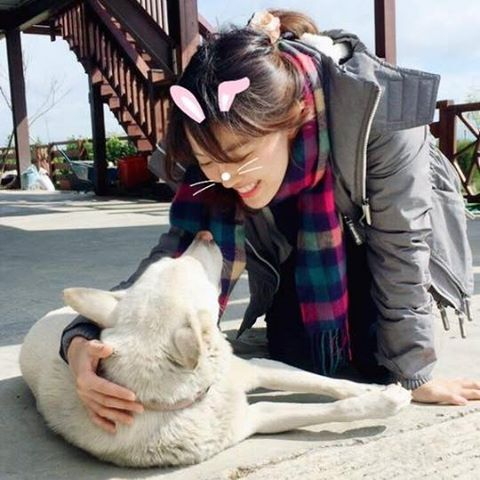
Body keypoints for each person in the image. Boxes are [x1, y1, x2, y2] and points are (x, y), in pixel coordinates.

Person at [60, 9, 479, 433]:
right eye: (209, 163)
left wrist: (416, 372)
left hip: (372, 237)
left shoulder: (381, 107)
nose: (226, 177)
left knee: (381, 364)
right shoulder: (211, 133)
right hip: (303, 248)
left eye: (240, 156)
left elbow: (402, 244)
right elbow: (172, 261)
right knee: (296, 354)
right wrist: (81, 340)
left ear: (293, 116)